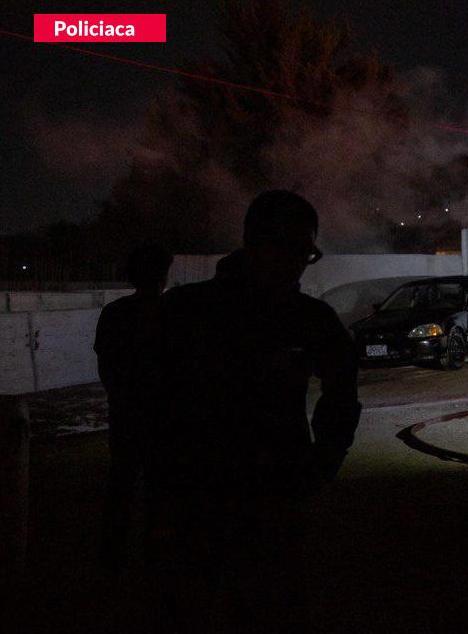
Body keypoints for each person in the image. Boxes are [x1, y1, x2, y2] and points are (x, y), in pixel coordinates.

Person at [145, 190, 361, 632]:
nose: (296, 264)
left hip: (263, 493)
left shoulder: (306, 317)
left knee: (263, 607)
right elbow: (147, 393)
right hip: (201, 494)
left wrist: (324, 458)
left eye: (304, 253)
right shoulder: (188, 312)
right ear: (253, 243)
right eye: (288, 250)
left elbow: (342, 390)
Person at [94, 242, 172, 569]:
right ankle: (155, 551)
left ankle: (114, 552)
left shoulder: (115, 313)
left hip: (127, 414)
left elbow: (107, 366)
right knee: (159, 487)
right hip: (161, 415)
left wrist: (122, 399)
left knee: (122, 484)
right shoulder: (172, 312)